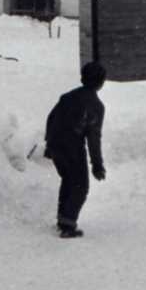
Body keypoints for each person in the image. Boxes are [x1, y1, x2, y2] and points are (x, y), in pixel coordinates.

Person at [43, 61, 108, 238]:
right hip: (72, 147)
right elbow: (94, 138)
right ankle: (68, 225)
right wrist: (97, 165)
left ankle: (63, 219)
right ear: (101, 82)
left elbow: (52, 119)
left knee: (68, 180)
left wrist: (49, 144)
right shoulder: (96, 106)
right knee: (80, 186)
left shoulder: (67, 97)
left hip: (57, 145)